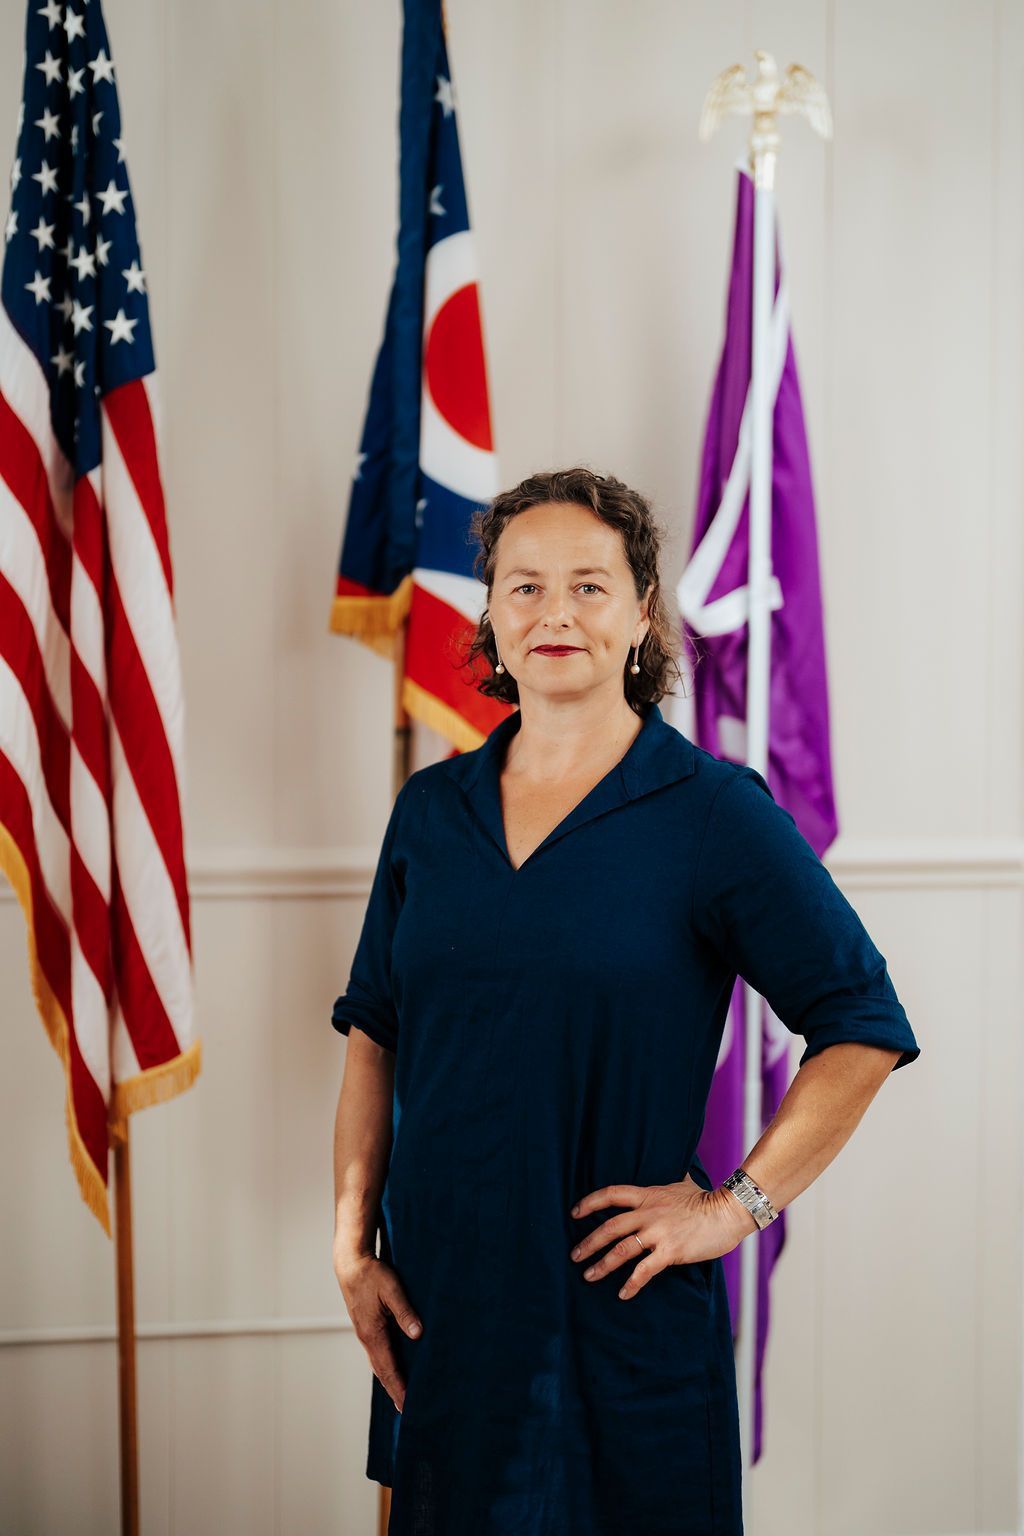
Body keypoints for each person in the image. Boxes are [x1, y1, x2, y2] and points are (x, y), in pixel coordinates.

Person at [331, 467, 921, 1536]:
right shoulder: (429, 812)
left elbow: (861, 1026)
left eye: (589, 585)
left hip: (614, 1323)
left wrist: (731, 1207)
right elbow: (375, 1031)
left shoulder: (711, 814)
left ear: (642, 613)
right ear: (490, 617)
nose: (554, 611)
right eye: (523, 586)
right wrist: (349, 1245)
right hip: (443, 1311)